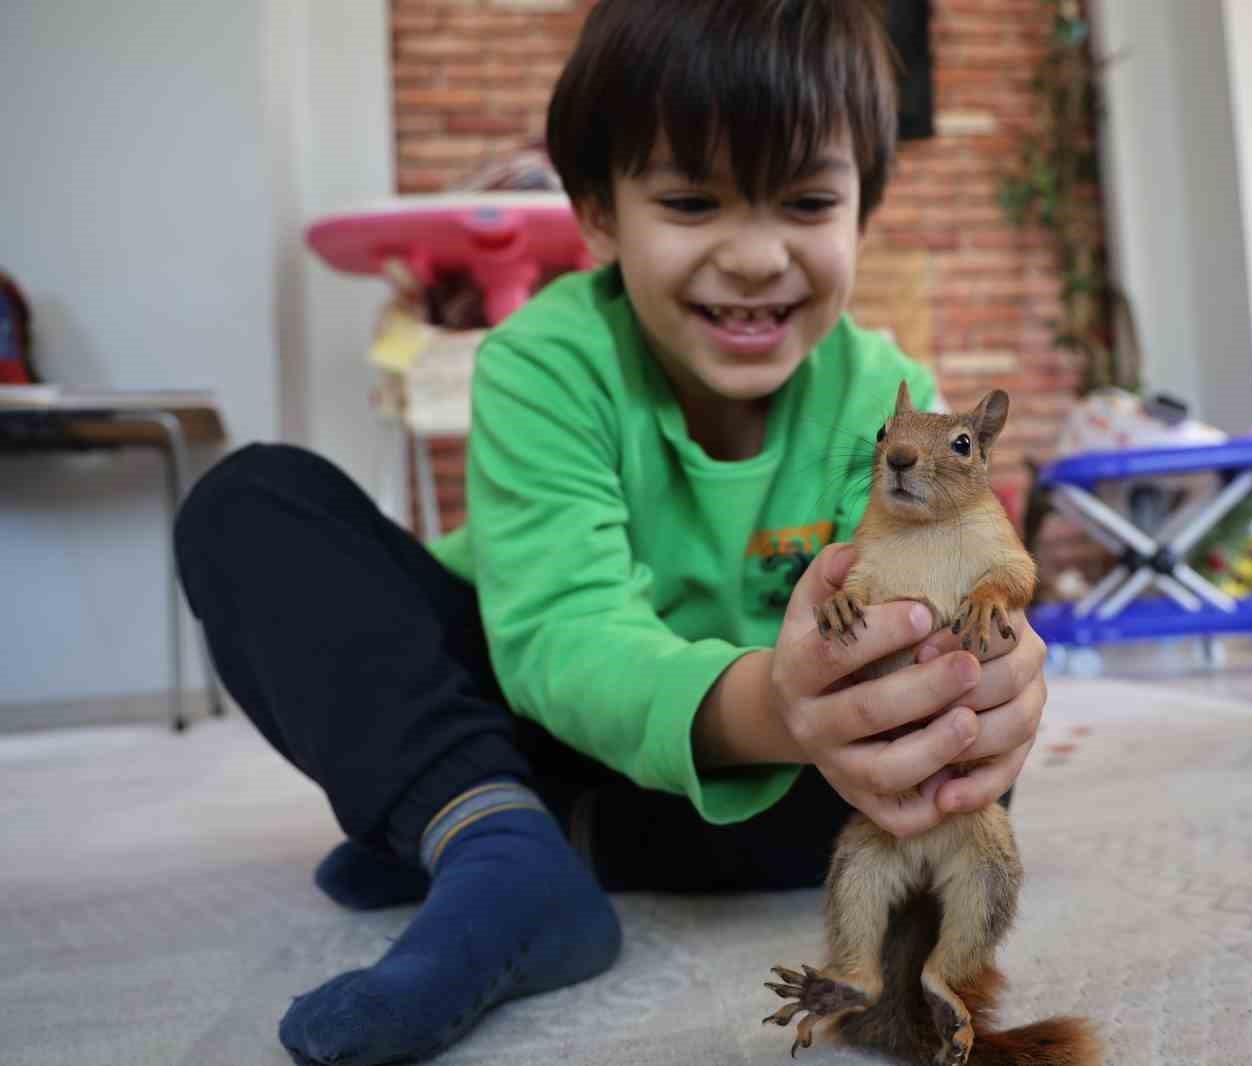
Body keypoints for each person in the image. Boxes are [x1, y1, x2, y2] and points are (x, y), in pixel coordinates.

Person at [175, 2, 1049, 1064]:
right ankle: (494, 837)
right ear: (597, 210)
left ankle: (466, 821)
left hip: (758, 763)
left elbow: (943, 615)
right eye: (691, 201)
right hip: (538, 699)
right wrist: (775, 698)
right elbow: (563, 633)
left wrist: (977, 688)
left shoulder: (889, 401)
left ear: (862, 207)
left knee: (952, 769)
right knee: (250, 504)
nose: (755, 256)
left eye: (808, 200)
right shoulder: (542, 362)